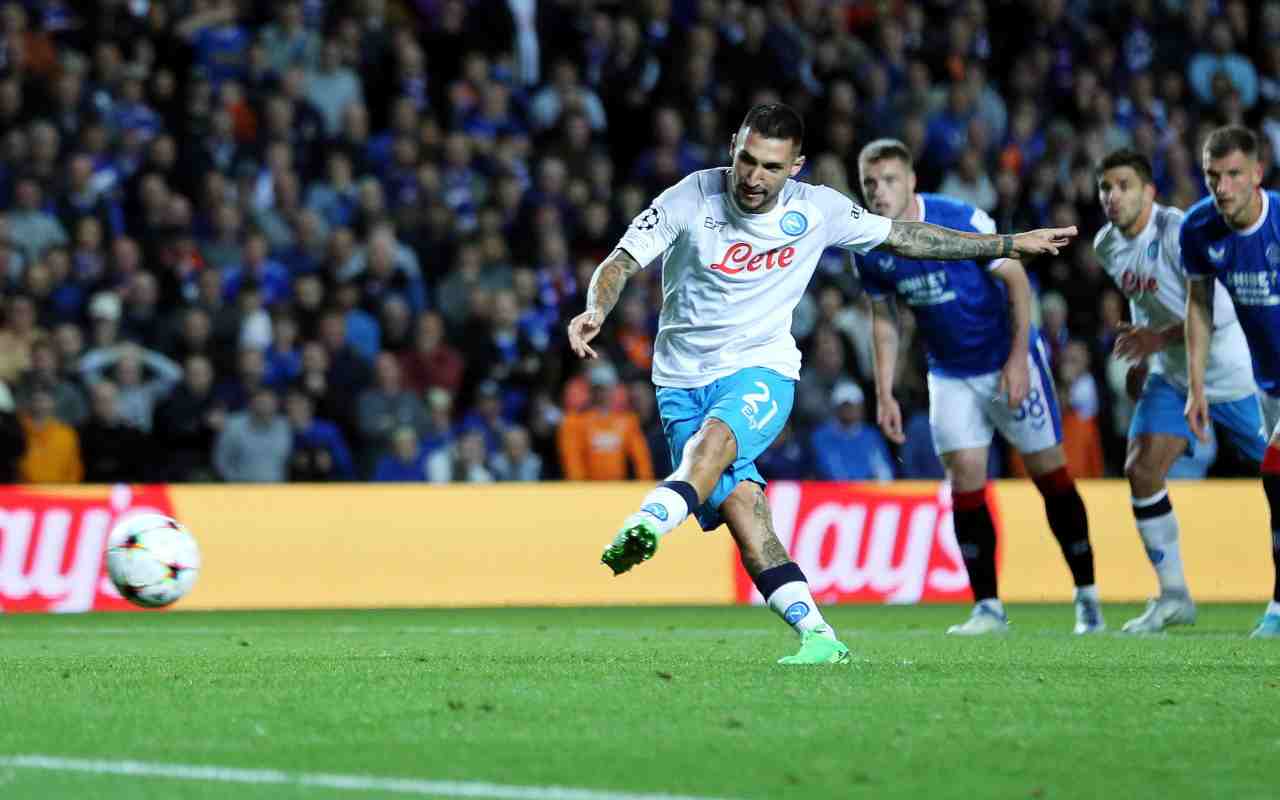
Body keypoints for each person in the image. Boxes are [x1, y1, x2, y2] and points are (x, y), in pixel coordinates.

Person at [567, 104, 1077, 664]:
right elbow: (619, 262)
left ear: (797, 167)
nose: (754, 178)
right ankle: (820, 638)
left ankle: (648, 523)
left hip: (762, 370)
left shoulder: (819, 210)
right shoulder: (690, 196)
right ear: (733, 148)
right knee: (744, 514)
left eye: (771, 167)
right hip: (680, 379)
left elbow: (908, 237)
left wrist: (1005, 244)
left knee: (709, 446)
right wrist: (596, 309)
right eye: (746, 160)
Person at [855, 138, 1102, 636]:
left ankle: (1087, 596)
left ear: (911, 182)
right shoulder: (871, 244)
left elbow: (1016, 282)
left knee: (1048, 472)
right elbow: (885, 320)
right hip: (948, 372)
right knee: (965, 478)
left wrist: (1018, 360)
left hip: (1005, 357)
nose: (879, 193)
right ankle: (988, 607)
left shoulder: (960, 218)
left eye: (888, 181)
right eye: (869, 184)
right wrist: (884, 392)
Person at [1094, 148, 1264, 633]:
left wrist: (1155, 338)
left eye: (1124, 185)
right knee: (1142, 469)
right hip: (1172, 377)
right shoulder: (1106, 245)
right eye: (1105, 187)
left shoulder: (1180, 233)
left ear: (1149, 191)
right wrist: (1145, 353)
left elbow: (1221, 308)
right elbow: (1144, 297)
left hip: (1235, 376)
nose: (1112, 196)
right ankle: (1173, 597)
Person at [1182, 125, 1280, 638]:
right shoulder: (1199, 231)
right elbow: (1197, 306)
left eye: (1234, 175)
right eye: (1212, 176)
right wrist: (1197, 387)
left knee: (1276, 475)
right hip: (1268, 384)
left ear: (1258, 175)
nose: (1222, 187)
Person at [809, 381, 894, 481]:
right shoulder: (822, 436)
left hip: (869, 491)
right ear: (835, 407)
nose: (849, 409)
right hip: (835, 493)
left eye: (853, 404)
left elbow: (885, 471)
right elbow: (830, 470)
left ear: (861, 407)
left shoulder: (871, 436)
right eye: (845, 405)